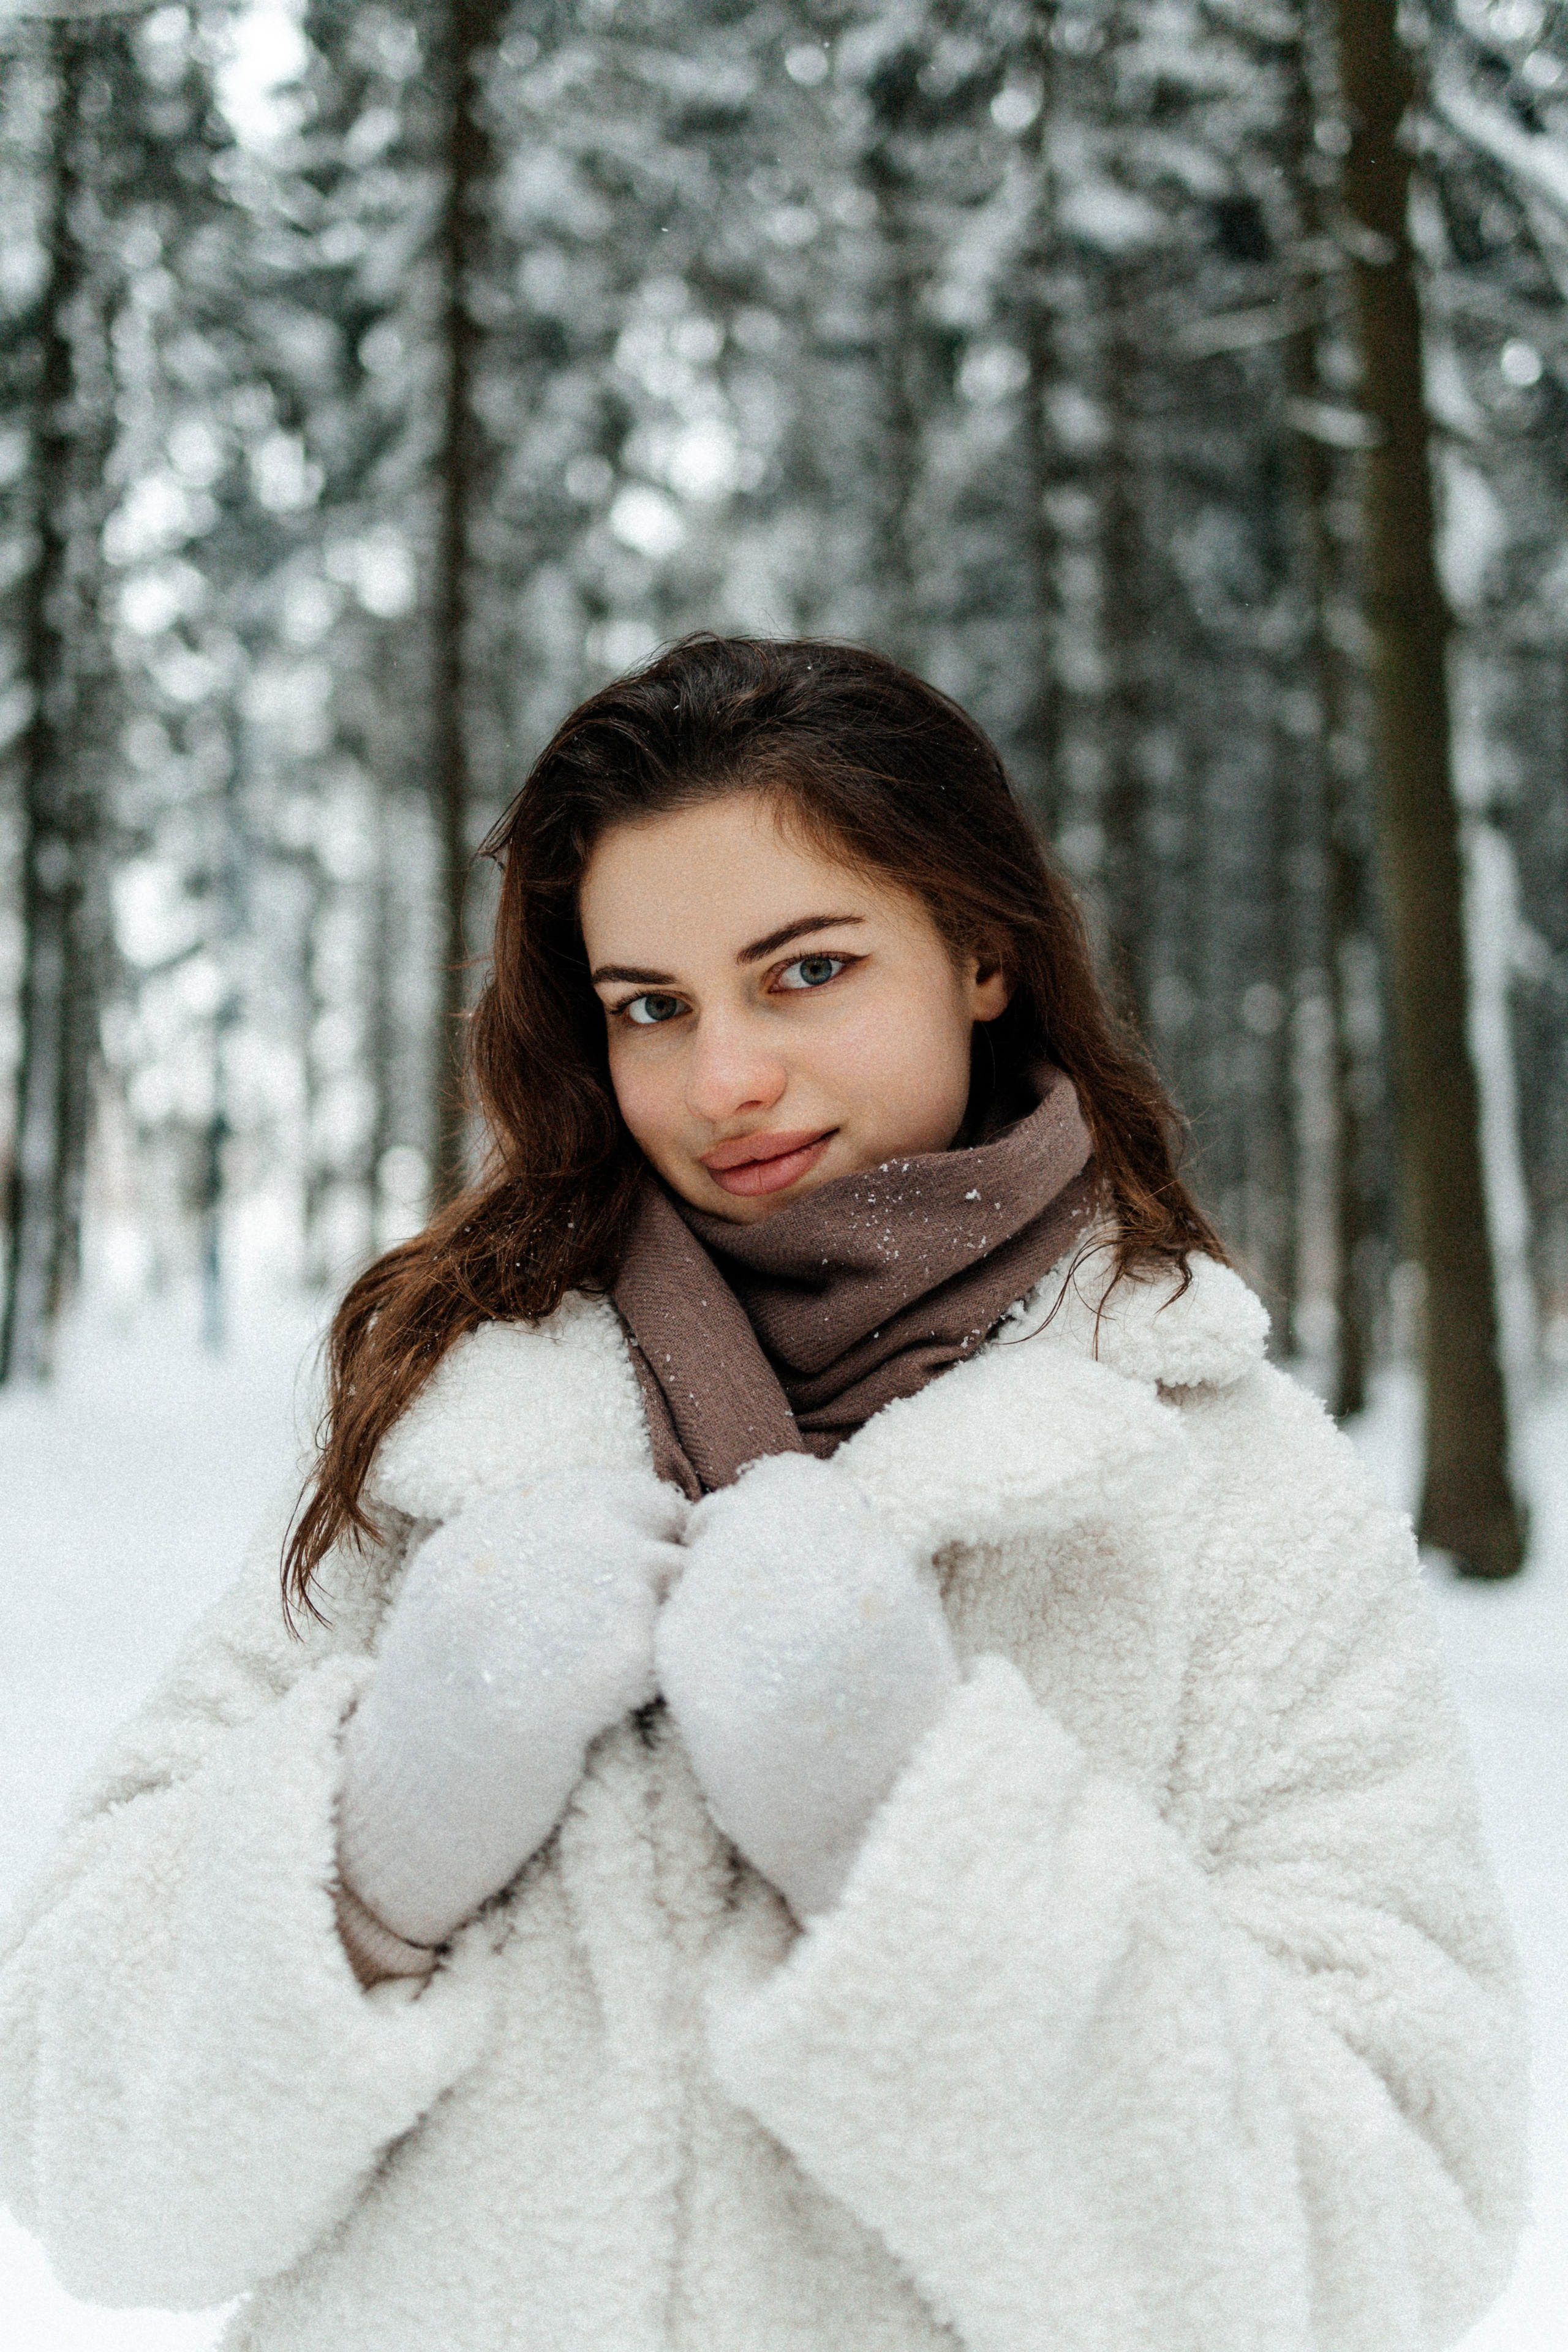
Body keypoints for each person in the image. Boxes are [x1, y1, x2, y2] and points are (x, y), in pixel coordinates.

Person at [0, 636, 1523, 2352]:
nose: (722, 1079)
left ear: (982, 952)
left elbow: (1383, 2253)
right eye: (652, 1005)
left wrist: (904, 1831)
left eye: (803, 971)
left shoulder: (1220, 1496)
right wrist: (372, 1844)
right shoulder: (458, 1434)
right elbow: (77, 2164)